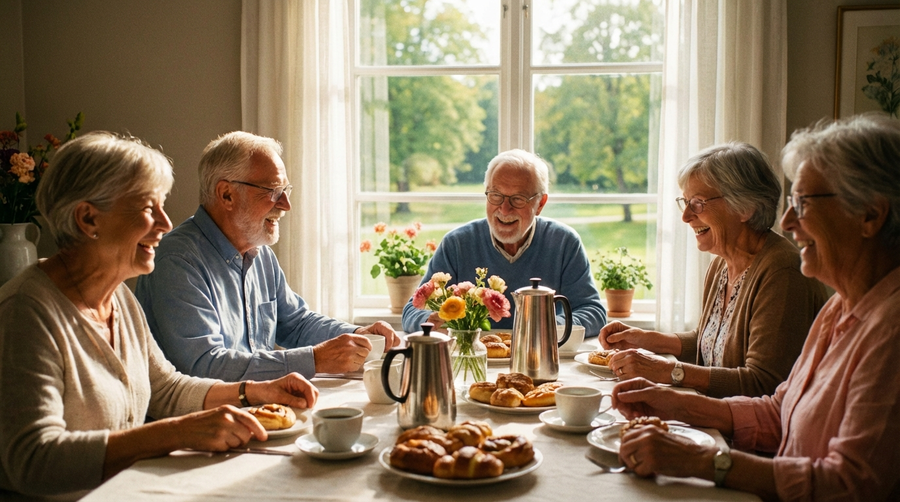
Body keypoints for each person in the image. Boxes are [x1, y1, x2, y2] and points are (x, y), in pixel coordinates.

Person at [0, 132, 320, 498]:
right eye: (149, 208)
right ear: (89, 219)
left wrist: (253, 391)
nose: (166, 224)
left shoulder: (119, 297)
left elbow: (166, 388)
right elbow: (33, 463)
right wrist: (175, 433)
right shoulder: (26, 313)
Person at [611, 114, 900, 501]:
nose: (788, 221)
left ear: (870, 214)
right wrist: (674, 402)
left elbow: (851, 485)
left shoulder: (891, 332)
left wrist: (705, 461)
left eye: (805, 203)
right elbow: (779, 410)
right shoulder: (841, 309)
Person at [135, 132, 399, 382]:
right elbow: (204, 366)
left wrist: (356, 335)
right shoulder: (177, 260)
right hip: (203, 422)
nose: (286, 204)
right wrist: (314, 359)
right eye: (273, 191)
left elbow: (295, 323)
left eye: (286, 190)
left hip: (256, 408)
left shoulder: (260, 255)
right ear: (226, 194)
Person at [600, 142, 828, 397]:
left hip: (750, 434)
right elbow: (709, 343)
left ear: (745, 206)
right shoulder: (721, 263)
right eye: (684, 202)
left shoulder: (782, 272)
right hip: (715, 421)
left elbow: (762, 383)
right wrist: (646, 339)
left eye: (697, 203)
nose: (686, 216)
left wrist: (667, 370)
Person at [401, 149, 606, 335]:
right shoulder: (457, 244)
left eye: (517, 199)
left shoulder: (564, 243)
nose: (504, 209)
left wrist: (545, 329)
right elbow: (412, 311)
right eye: (496, 196)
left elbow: (593, 311)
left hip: (537, 359)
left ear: (540, 203)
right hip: (471, 359)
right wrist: (434, 321)